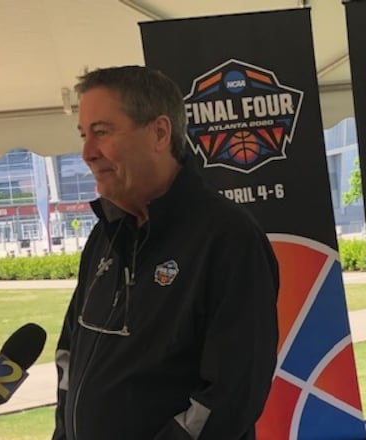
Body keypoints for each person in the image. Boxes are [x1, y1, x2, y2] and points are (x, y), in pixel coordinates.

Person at [52, 66, 279, 440]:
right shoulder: (104, 236)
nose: (88, 153)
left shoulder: (227, 238)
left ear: (159, 133)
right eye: (83, 135)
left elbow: (230, 394)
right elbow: (69, 357)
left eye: (102, 133)